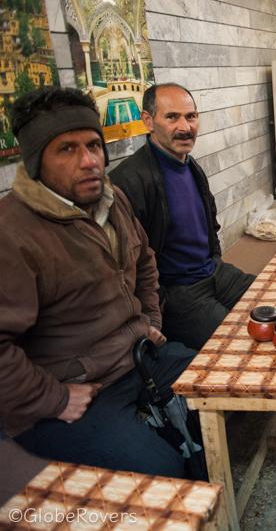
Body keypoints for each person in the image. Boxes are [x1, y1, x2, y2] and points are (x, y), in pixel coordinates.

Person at [0, 87, 196, 478]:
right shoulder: (12, 232)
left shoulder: (112, 199)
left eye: (93, 145)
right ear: (37, 162)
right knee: (164, 473)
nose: (89, 161)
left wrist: (150, 321)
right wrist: (54, 399)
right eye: (67, 150)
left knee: (223, 394)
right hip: (77, 391)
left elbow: (145, 261)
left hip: (137, 357)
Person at [110, 83, 254, 350]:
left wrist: (215, 260)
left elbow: (210, 224)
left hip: (214, 271)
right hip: (179, 292)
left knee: (274, 300)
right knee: (239, 344)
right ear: (148, 121)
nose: (185, 127)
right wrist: (151, 314)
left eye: (191, 116)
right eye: (172, 117)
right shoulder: (128, 181)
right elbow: (128, 264)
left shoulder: (189, 164)